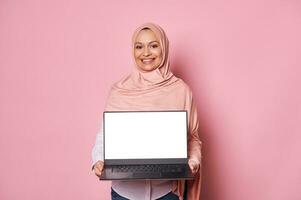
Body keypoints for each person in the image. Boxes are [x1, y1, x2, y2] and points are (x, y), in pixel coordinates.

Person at [92, 23, 202, 200]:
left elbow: (193, 138)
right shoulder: (119, 90)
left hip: (166, 193)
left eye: (153, 45)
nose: (146, 53)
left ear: (164, 48)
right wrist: (97, 160)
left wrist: (193, 161)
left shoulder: (181, 90)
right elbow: (105, 135)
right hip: (124, 193)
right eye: (139, 46)